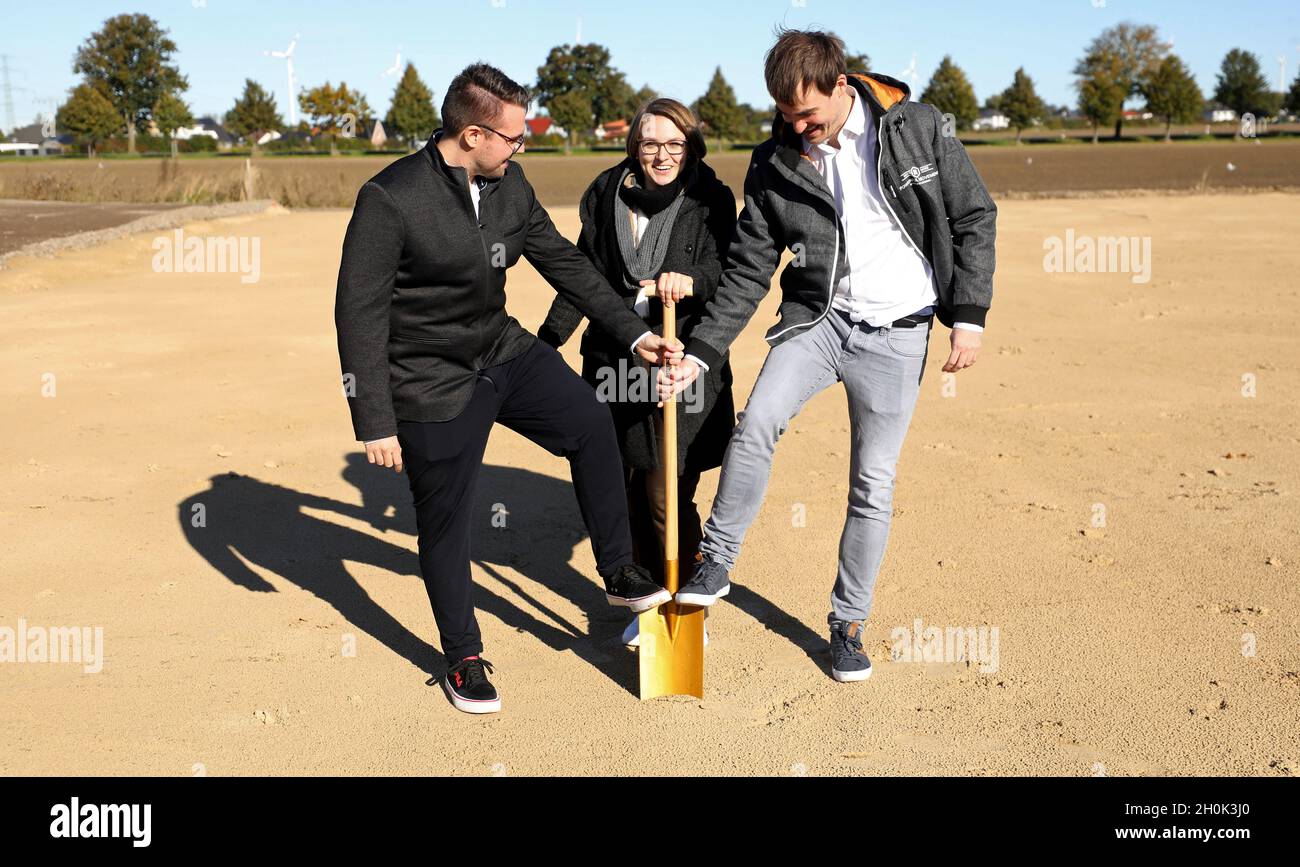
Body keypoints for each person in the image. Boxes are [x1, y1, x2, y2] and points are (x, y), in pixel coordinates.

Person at [335, 63, 683, 714]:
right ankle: (462, 657)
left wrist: (635, 335)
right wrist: (374, 417)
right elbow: (358, 311)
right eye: (514, 137)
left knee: (588, 418)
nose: (522, 147)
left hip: (503, 350)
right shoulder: (390, 198)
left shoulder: (509, 184)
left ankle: (616, 569)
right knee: (445, 524)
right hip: (429, 380)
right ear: (472, 134)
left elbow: (567, 265)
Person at [658, 29, 996, 682]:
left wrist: (970, 318)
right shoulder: (774, 159)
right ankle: (717, 561)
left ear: (842, 86)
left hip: (898, 334)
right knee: (755, 425)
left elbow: (973, 215)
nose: (799, 127)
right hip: (816, 321)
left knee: (873, 481)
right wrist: (701, 351)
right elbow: (750, 265)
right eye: (786, 117)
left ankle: (848, 623)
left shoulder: (917, 128)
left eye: (808, 115)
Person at [537, 98, 738, 648]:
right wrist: (547, 341)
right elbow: (584, 276)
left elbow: (729, 269)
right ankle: (648, 601)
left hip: (685, 361)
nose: (662, 155)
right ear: (634, 147)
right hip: (615, 363)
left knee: (666, 490)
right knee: (624, 484)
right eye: (650, 143)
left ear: (690, 147)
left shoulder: (710, 198)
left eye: (675, 144)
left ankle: (683, 600)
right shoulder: (606, 195)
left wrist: (689, 279)